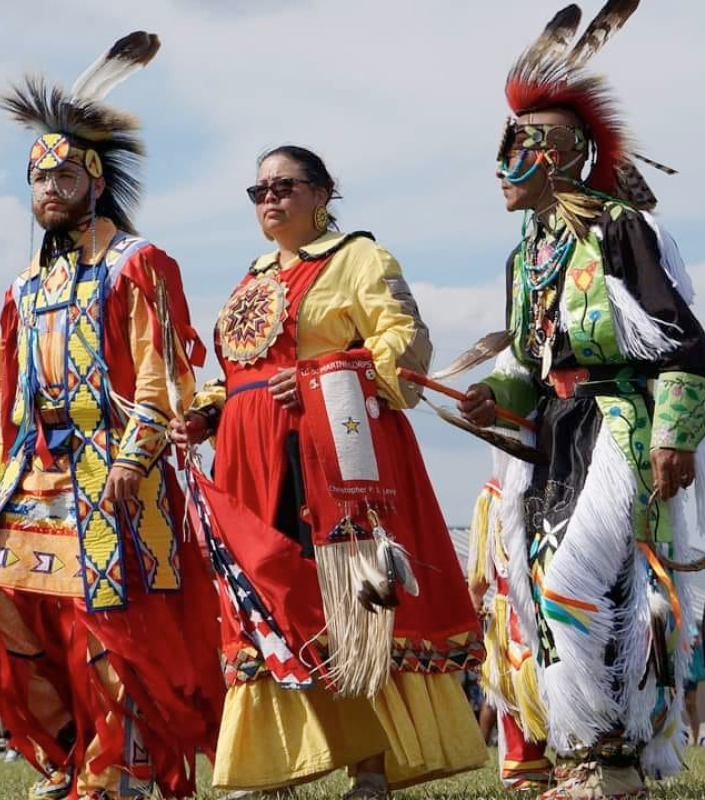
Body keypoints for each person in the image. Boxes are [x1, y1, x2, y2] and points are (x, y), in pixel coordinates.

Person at [457, 4, 705, 796]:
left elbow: (686, 346)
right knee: (541, 588)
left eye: (513, 150)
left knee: (594, 588)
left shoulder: (620, 230)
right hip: (554, 436)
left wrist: (675, 439)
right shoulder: (530, 253)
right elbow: (532, 360)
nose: (499, 167)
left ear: (557, 156)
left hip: (620, 425)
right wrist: (494, 395)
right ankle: (580, 755)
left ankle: (614, 760)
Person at [0, 31, 224, 800]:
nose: (47, 186)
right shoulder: (22, 291)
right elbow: (12, 408)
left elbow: (165, 376)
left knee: (107, 624)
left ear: (94, 181)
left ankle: (122, 770)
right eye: (36, 176)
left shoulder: (136, 265)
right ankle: (71, 751)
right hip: (35, 470)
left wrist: (136, 460)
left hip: (114, 465)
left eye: (63, 172)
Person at [170, 144, 488, 798]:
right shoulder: (252, 278)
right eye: (258, 190)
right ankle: (279, 767)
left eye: (284, 186)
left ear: (322, 193)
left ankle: (370, 769)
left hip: (334, 456)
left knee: (350, 603)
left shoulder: (359, 259)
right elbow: (237, 376)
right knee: (266, 600)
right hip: (249, 462)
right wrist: (205, 413)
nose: (269, 200)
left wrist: (319, 376)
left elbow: (405, 345)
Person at [467, 479, 553, 789]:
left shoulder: (567, 475)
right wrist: (473, 605)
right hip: (512, 611)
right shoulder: (493, 493)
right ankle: (525, 767)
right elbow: (481, 571)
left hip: (559, 605)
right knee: (516, 692)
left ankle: (578, 759)